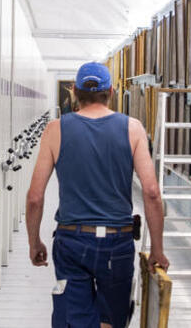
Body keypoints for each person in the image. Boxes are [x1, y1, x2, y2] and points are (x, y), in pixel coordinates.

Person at [26, 62, 168, 328]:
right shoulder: (133, 128)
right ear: (111, 92)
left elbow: (35, 197)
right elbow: (151, 192)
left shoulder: (56, 130)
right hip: (118, 242)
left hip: (71, 242)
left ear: (75, 92)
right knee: (112, 320)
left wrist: (34, 242)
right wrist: (157, 249)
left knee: (74, 319)